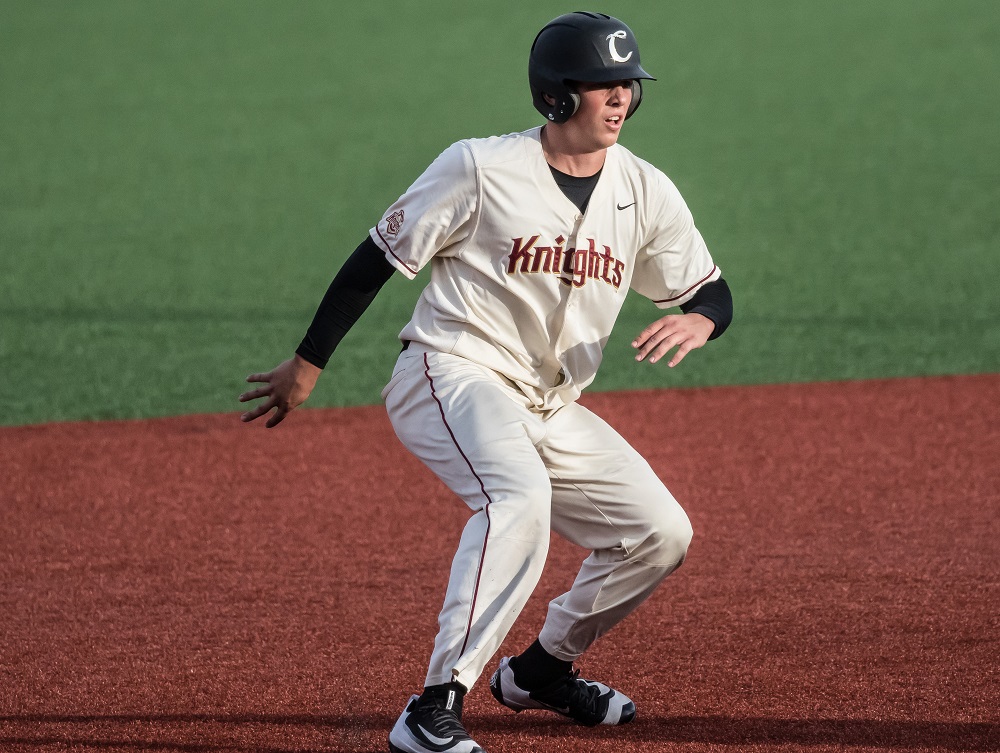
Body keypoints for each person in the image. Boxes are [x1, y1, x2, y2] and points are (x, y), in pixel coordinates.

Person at [240, 11, 733, 753]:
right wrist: (307, 364)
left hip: (548, 402)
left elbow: (711, 292)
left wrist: (701, 321)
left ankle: (541, 669)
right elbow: (376, 255)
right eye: (602, 83)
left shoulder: (644, 190)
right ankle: (433, 704)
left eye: (627, 83)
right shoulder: (479, 167)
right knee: (519, 497)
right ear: (556, 95)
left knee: (660, 533)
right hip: (451, 371)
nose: (620, 97)